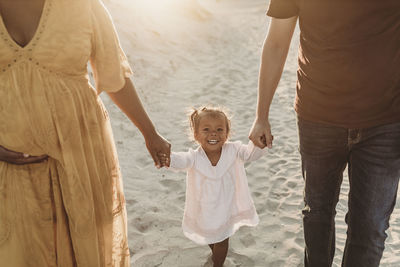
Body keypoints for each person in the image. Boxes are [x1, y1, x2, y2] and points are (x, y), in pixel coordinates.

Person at [0, 0, 170, 266]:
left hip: (82, 159)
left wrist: (150, 133)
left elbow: (115, 76)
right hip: (10, 168)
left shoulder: (84, 5)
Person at [249, 0, 400, 266]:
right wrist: (261, 115)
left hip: (385, 122)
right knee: (316, 217)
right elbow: (276, 43)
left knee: (370, 229)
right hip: (317, 117)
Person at [159, 106, 266, 267]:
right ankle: (216, 255)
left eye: (219, 129)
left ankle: (218, 264)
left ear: (227, 133)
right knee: (209, 236)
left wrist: (259, 144)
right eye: (206, 129)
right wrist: (166, 158)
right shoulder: (194, 157)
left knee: (222, 239)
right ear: (196, 135)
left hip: (227, 207)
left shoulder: (234, 150)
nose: (213, 134)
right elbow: (179, 161)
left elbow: (251, 155)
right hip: (205, 209)